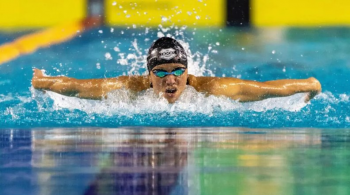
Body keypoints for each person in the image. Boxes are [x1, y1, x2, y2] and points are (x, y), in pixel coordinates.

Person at [32, 37, 321, 103]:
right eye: (160, 72)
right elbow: (79, 86)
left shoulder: (209, 89)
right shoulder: (130, 88)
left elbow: (265, 89)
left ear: (187, 71)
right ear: (148, 75)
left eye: (177, 70)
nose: (170, 79)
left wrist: (309, 84)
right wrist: (44, 82)